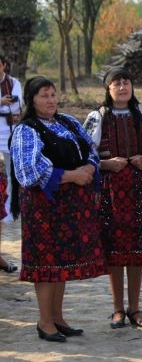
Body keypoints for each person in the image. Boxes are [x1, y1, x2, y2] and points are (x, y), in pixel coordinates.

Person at [10, 76, 107, 342]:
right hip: (43, 207)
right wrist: (71, 176)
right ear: (31, 100)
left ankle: (57, 317)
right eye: (44, 95)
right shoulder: (26, 129)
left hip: (69, 205)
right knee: (46, 262)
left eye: (53, 95)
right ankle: (44, 321)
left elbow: (90, 149)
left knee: (60, 261)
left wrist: (89, 167)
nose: (51, 100)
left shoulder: (68, 122)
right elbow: (28, 170)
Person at [84, 67, 142, 329]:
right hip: (110, 190)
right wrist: (106, 164)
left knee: (137, 249)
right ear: (108, 89)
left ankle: (135, 308)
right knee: (115, 249)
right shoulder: (97, 117)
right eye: (116, 83)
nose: (122, 87)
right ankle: (117, 308)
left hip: (140, 188)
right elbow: (84, 153)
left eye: (126, 82)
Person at [0, 55, 22, 221]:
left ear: (4, 66)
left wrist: (4, 104)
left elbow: (16, 104)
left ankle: (10, 209)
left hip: (9, 130)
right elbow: (6, 104)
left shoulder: (14, 83)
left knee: (11, 171)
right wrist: (1, 102)